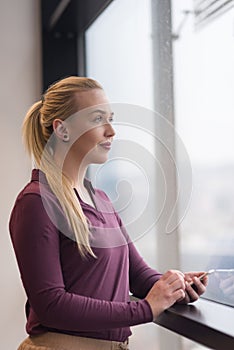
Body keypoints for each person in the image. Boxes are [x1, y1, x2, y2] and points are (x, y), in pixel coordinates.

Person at [9, 76, 208, 350]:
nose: (111, 131)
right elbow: (52, 305)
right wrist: (146, 309)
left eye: (110, 118)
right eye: (97, 119)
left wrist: (175, 287)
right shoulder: (36, 202)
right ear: (62, 130)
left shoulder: (101, 200)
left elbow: (137, 277)